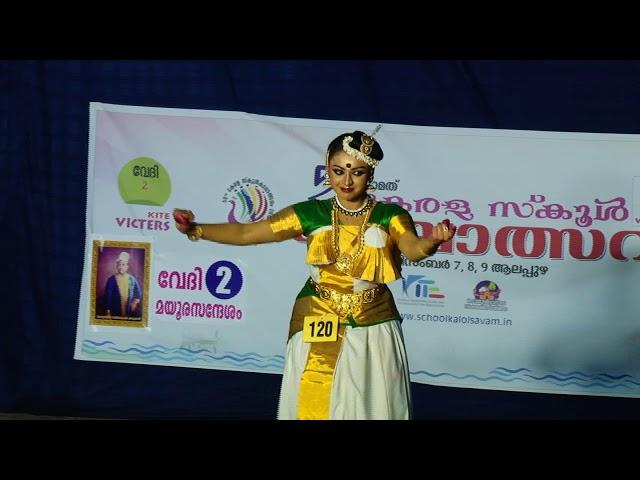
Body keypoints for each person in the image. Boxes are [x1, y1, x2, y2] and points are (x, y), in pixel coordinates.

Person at [173, 128, 457, 420]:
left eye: (357, 172)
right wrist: (197, 229)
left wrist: (432, 241)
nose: (347, 181)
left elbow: (412, 248)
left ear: (370, 175)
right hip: (319, 312)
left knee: (370, 404)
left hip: (372, 320)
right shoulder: (311, 213)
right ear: (327, 171)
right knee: (316, 398)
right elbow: (248, 232)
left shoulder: (389, 215)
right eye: (338, 171)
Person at [103, 251, 142, 319]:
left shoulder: (132, 279)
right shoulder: (111, 280)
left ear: (127, 266)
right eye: (119, 265)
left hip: (128, 312)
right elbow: (107, 297)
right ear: (117, 266)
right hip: (114, 312)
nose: (121, 267)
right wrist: (108, 312)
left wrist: (135, 302)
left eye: (123, 265)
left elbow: (138, 293)